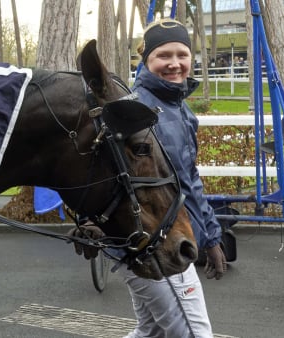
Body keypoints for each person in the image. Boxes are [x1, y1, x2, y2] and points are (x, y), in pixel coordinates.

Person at [71, 19, 227, 338]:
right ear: (147, 60)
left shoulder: (180, 110)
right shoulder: (129, 110)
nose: (174, 63)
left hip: (169, 236)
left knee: (151, 332)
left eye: (181, 54)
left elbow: (188, 182)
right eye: (163, 55)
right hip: (150, 241)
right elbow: (86, 165)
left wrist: (211, 237)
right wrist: (86, 221)